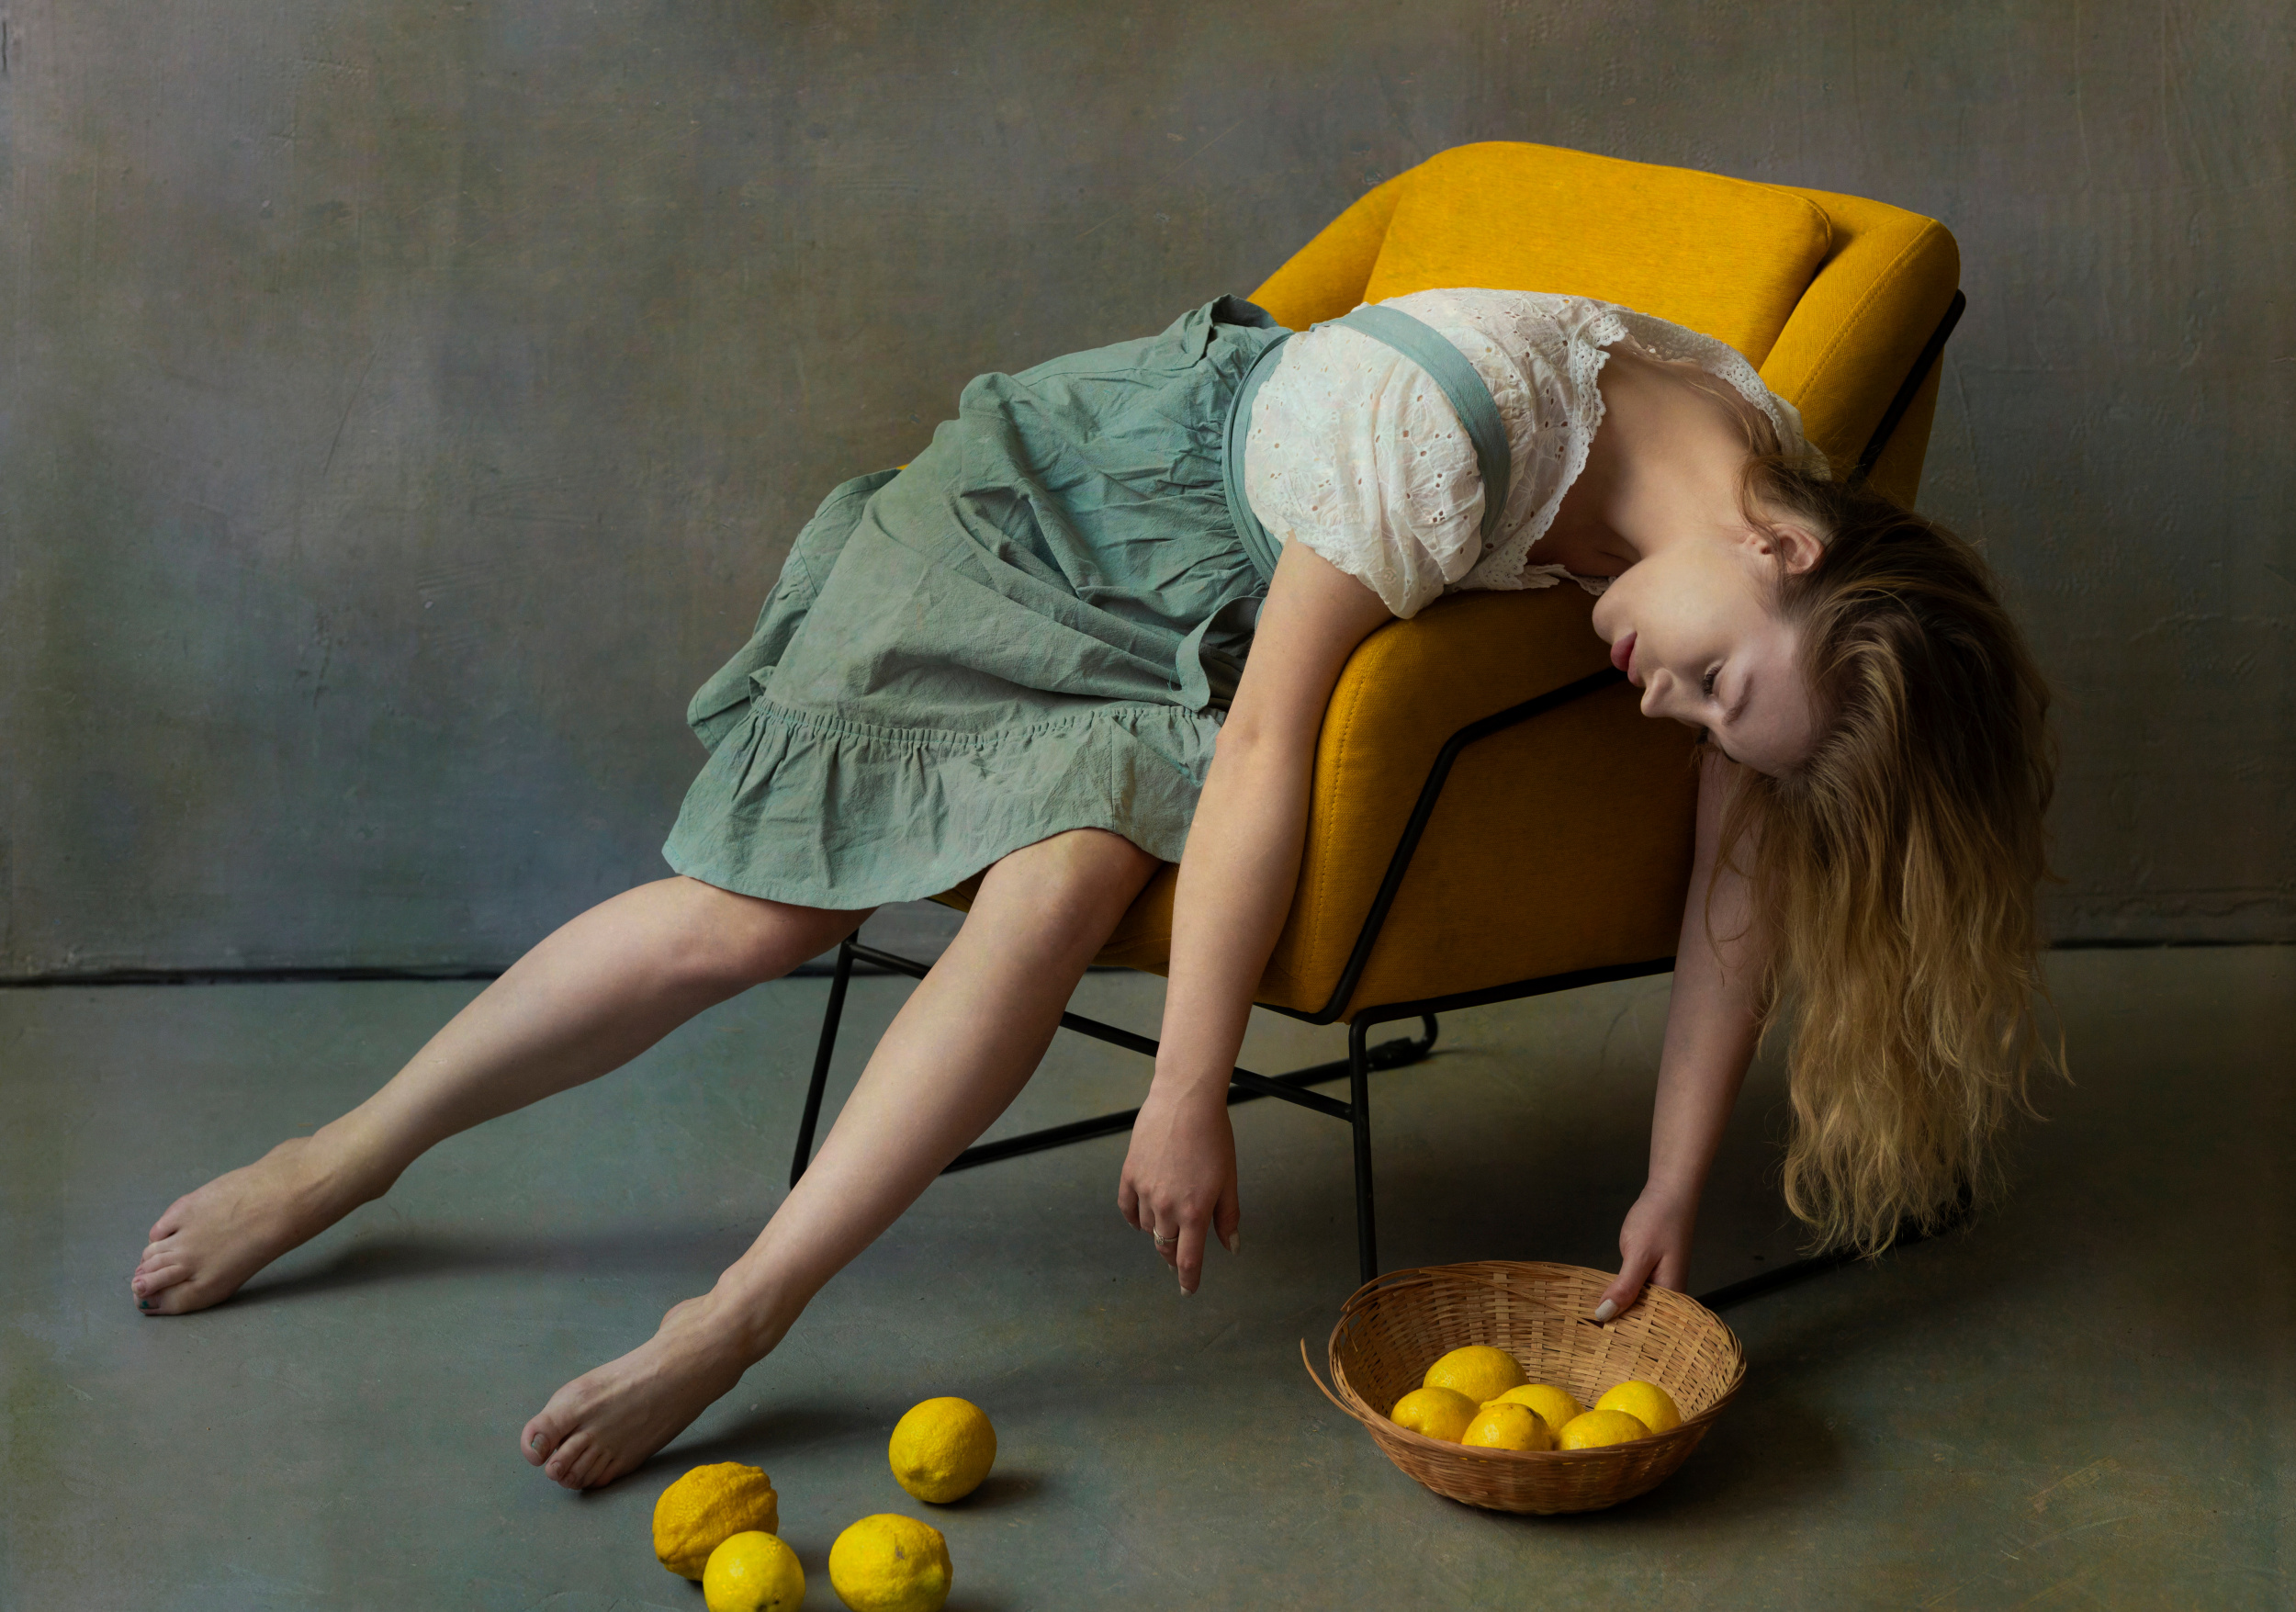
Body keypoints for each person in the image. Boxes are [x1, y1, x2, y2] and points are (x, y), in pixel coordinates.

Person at [127, 288, 2057, 1491]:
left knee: (1053, 892)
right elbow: (1266, 747)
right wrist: (1186, 1086)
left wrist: (1668, 1178)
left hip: (1184, 633)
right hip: (1060, 522)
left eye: (1714, 717)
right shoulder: (1441, 433)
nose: (1669, 709)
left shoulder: (1770, 511)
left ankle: (740, 1313)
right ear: (1782, 552)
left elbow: (1734, 892)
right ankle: (350, 1150)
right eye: (1712, 682)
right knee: (765, 915)